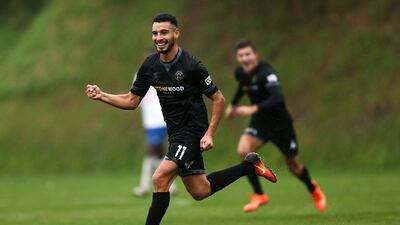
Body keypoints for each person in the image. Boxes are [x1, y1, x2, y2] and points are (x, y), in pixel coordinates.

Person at [86, 14, 277, 225]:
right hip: (175, 134)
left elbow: (219, 99)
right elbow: (131, 101)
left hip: (193, 133)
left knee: (159, 178)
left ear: (176, 33)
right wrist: (102, 95)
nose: (159, 37)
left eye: (164, 32)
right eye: (155, 33)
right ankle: (249, 166)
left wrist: (209, 134)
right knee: (200, 190)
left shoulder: (192, 66)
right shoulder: (150, 66)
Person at [225, 40, 326, 213]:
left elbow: (278, 97)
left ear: (256, 55)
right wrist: (232, 105)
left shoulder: (267, 72)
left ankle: (313, 188)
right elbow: (243, 87)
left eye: (248, 54)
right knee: (243, 150)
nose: (244, 58)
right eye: (240, 55)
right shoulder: (240, 73)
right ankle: (259, 195)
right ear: (237, 58)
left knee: (294, 166)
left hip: (281, 125)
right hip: (260, 123)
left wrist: (252, 108)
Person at [132, 65, 177, 196]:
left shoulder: (164, 73)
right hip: (149, 121)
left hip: (160, 119)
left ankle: (147, 186)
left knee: (153, 150)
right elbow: (135, 97)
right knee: (156, 154)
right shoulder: (139, 74)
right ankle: (167, 186)